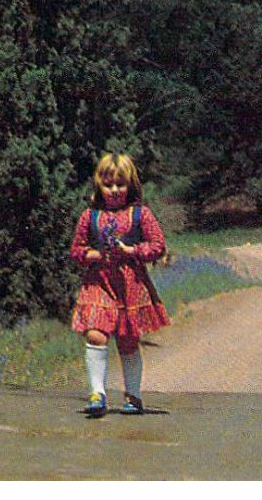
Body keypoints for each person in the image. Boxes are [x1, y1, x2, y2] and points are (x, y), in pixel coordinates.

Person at [70, 152, 169, 417]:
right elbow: (76, 250)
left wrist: (132, 250)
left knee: (127, 342)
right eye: (108, 184)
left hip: (130, 285)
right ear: (99, 185)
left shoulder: (140, 214)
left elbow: (158, 246)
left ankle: (133, 395)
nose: (114, 190)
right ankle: (97, 394)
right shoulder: (90, 216)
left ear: (131, 185)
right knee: (96, 334)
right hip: (99, 282)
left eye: (120, 184)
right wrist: (94, 255)